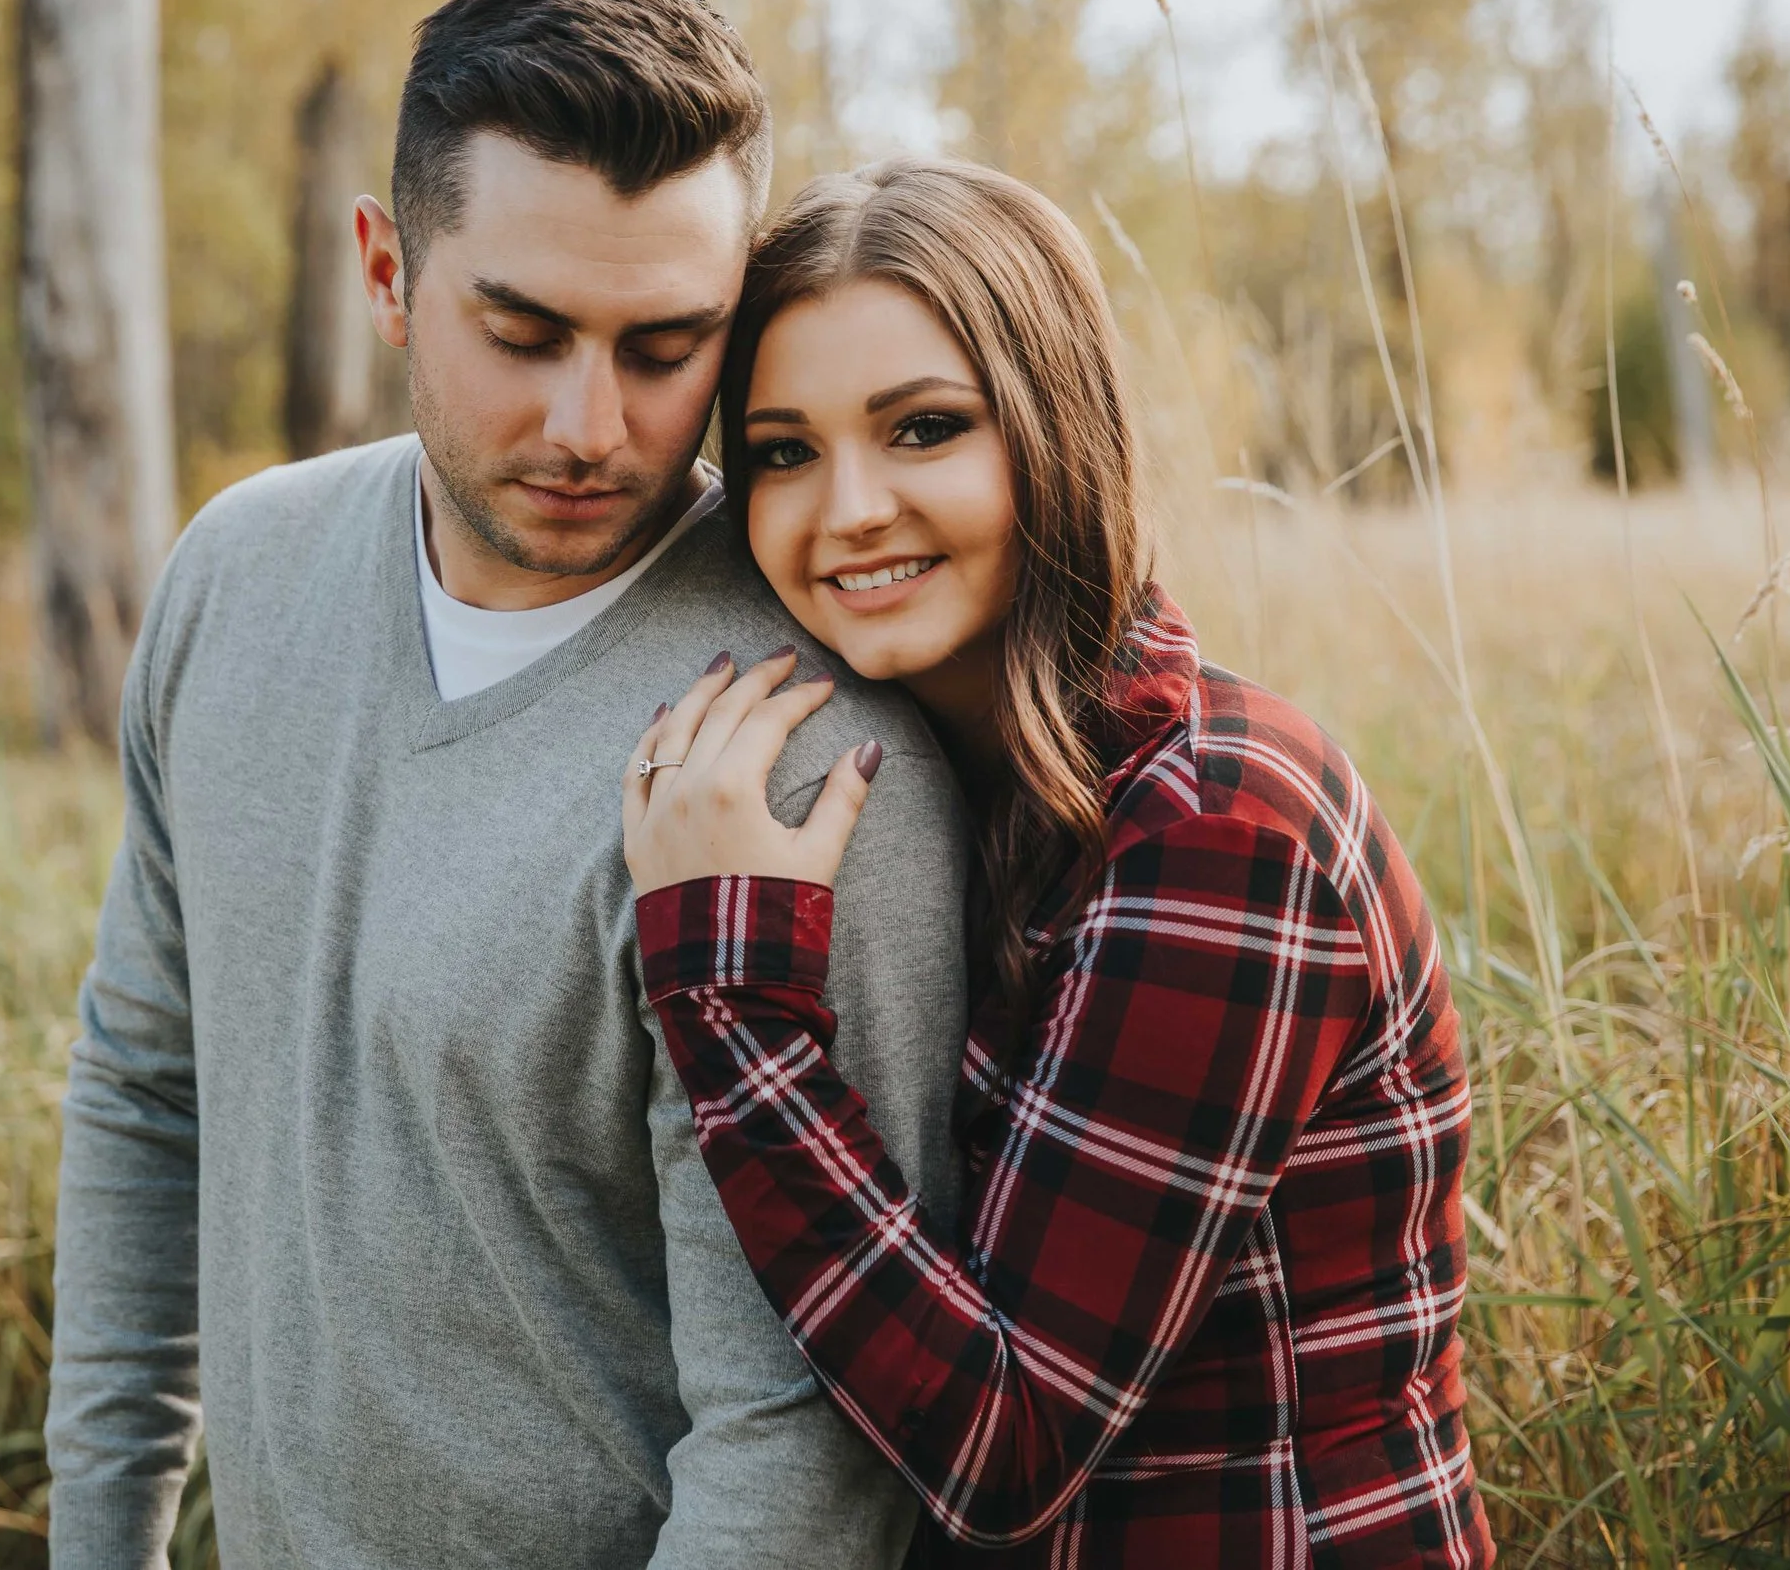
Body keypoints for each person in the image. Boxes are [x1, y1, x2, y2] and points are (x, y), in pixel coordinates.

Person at [45, 0, 974, 1570]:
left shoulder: (804, 762)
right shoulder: (232, 577)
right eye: (523, 329)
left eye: (666, 343)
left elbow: (801, 1453)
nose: (589, 424)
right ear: (387, 268)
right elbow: (146, 1088)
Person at [622, 157, 1494, 1567]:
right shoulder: (956, 796)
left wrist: (731, 1004)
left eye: (923, 429)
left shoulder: (1220, 829)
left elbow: (1004, 1443)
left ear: (1054, 427)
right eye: (782, 450)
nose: (846, 508)